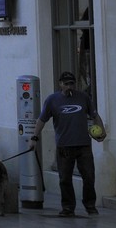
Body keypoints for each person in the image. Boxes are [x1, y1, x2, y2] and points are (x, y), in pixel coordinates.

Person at [33, 71, 102, 217]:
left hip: (83, 145)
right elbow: (41, 120)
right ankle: (68, 207)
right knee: (65, 178)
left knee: (89, 176)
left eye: (72, 83)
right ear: (60, 84)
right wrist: (34, 137)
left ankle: (90, 205)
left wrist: (101, 131)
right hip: (64, 145)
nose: (69, 86)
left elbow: (95, 115)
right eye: (66, 84)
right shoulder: (52, 100)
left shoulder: (83, 97)